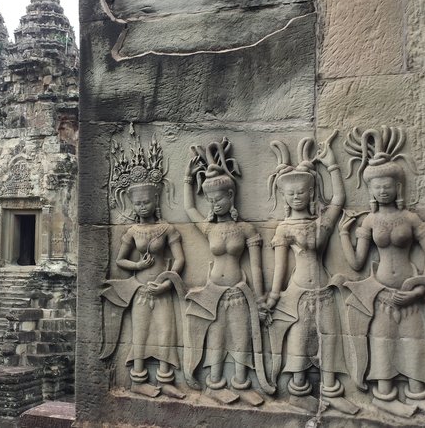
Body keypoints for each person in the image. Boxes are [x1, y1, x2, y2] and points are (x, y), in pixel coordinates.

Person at [339, 126, 425, 417]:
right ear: (370, 190)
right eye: (376, 186)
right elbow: (357, 263)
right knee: (382, 342)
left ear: (398, 187)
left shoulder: (411, 218)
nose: (382, 189)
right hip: (381, 293)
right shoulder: (369, 222)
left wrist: (420, 289)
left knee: (415, 342)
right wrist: (345, 236)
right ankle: (384, 394)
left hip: (409, 291)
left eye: (388, 184)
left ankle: (418, 392)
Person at [265, 131, 358, 414]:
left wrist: (332, 165)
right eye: (290, 193)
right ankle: (297, 390)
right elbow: (281, 267)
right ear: (283, 195)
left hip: (324, 290)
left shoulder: (321, 223)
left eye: (302, 192)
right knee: (299, 340)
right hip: (297, 292)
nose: (296, 197)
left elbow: (339, 200)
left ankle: (330, 390)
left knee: (330, 338)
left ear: (311, 193)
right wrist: (272, 296)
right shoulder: (284, 228)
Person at [181, 139, 273, 405]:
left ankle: (242, 383)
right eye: (210, 200)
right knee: (217, 339)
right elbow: (189, 209)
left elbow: (256, 267)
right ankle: (215, 384)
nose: (213, 205)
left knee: (242, 337)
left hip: (237, 292)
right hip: (213, 293)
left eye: (218, 199)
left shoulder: (246, 230)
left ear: (230, 196)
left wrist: (261, 297)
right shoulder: (210, 229)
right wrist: (188, 179)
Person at [101, 138, 187, 399]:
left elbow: (180, 260)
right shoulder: (132, 231)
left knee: (165, 332)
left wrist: (167, 283)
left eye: (146, 202)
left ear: (155, 200)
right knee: (141, 333)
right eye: (137, 203)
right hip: (139, 289)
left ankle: (165, 378)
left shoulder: (167, 229)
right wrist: (137, 265)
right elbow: (120, 261)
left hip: (162, 287)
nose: (142, 207)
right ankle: (138, 379)